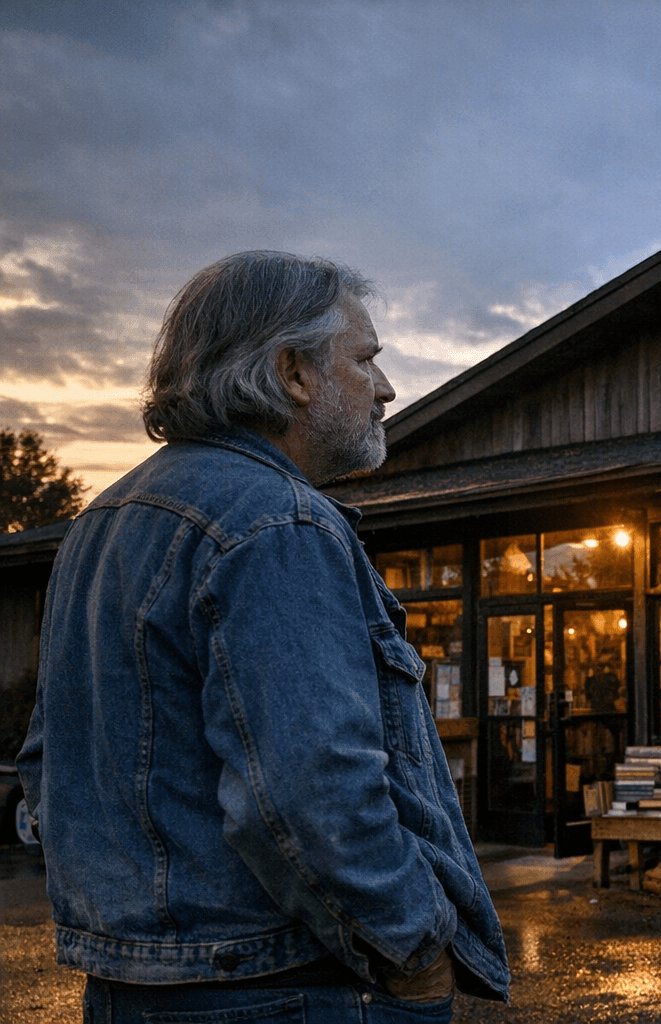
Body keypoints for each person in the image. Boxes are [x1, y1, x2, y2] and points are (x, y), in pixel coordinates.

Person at [16, 252, 510, 1022]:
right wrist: (415, 950)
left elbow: (48, 764)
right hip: (281, 986)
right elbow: (315, 789)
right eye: (366, 359)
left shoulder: (101, 523)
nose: (385, 388)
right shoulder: (277, 522)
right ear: (293, 372)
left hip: (130, 987)